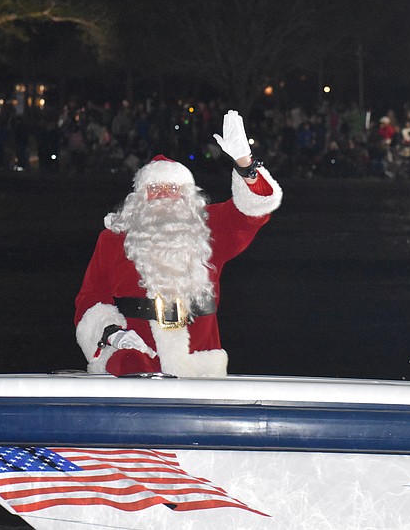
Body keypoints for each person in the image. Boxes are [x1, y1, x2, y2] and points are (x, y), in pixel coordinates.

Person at [74, 110, 282, 377]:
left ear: (187, 196)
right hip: (134, 365)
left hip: (199, 366)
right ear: (140, 196)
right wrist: (112, 334)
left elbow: (252, 212)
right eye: (154, 188)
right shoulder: (114, 239)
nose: (163, 195)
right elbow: (90, 298)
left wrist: (245, 163)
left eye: (172, 188)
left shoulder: (207, 228)